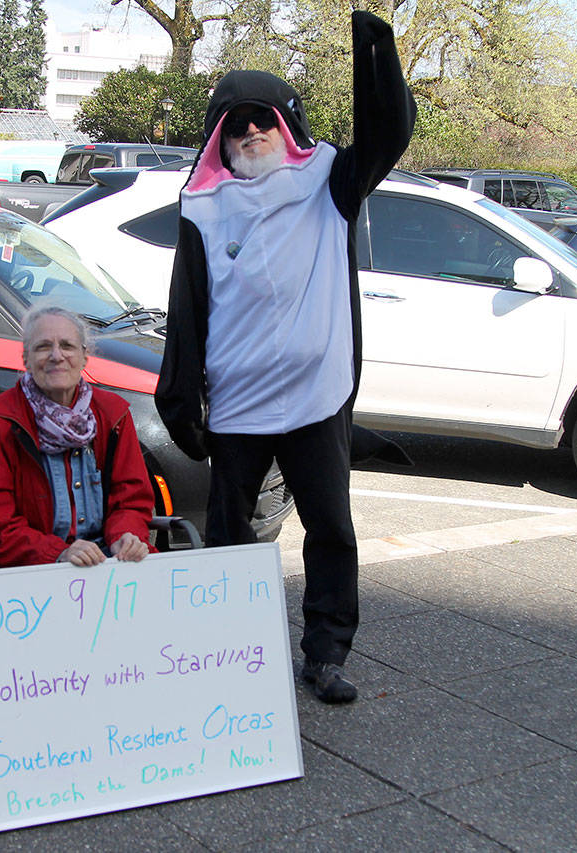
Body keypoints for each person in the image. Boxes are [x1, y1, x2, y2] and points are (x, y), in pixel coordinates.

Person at [155, 10, 415, 704]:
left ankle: (325, 653)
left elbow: (387, 132)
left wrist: (374, 54)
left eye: (261, 120)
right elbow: (187, 308)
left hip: (315, 397)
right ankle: (230, 654)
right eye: (234, 125)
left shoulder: (330, 180)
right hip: (238, 403)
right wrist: (180, 401)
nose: (249, 133)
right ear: (219, 136)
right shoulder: (204, 207)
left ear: (285, 122)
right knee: (232, 535)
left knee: (330, 528)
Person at [0, 305, 154, 570]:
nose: (57, 356)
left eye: (67, 345)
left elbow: (131, 499)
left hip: (105, 559)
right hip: (29, 564)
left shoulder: (113, 414)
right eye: (43, 347)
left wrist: (124, 535)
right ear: (26, 359)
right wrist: (59, 552)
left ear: (84, 357)